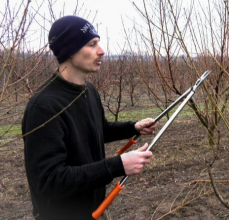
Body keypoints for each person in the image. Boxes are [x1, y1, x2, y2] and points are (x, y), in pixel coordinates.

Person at [22, 16, 157, 220]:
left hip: (94, 210)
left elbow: (98, 129)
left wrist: (134, 128)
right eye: (92, 44)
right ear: (69, 50)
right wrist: (117, 165)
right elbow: (49, 181)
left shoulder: (87, 90)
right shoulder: (44, 106)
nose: (101, 50)